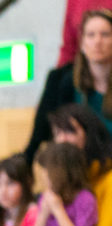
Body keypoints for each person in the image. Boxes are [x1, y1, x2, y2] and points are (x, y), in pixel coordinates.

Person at [27, 8, 112, 163]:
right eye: (91, 35)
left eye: (105, 34)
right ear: (82, 43)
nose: (97, 41)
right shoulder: (65, 83)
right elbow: (46, 135)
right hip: (79, 170)